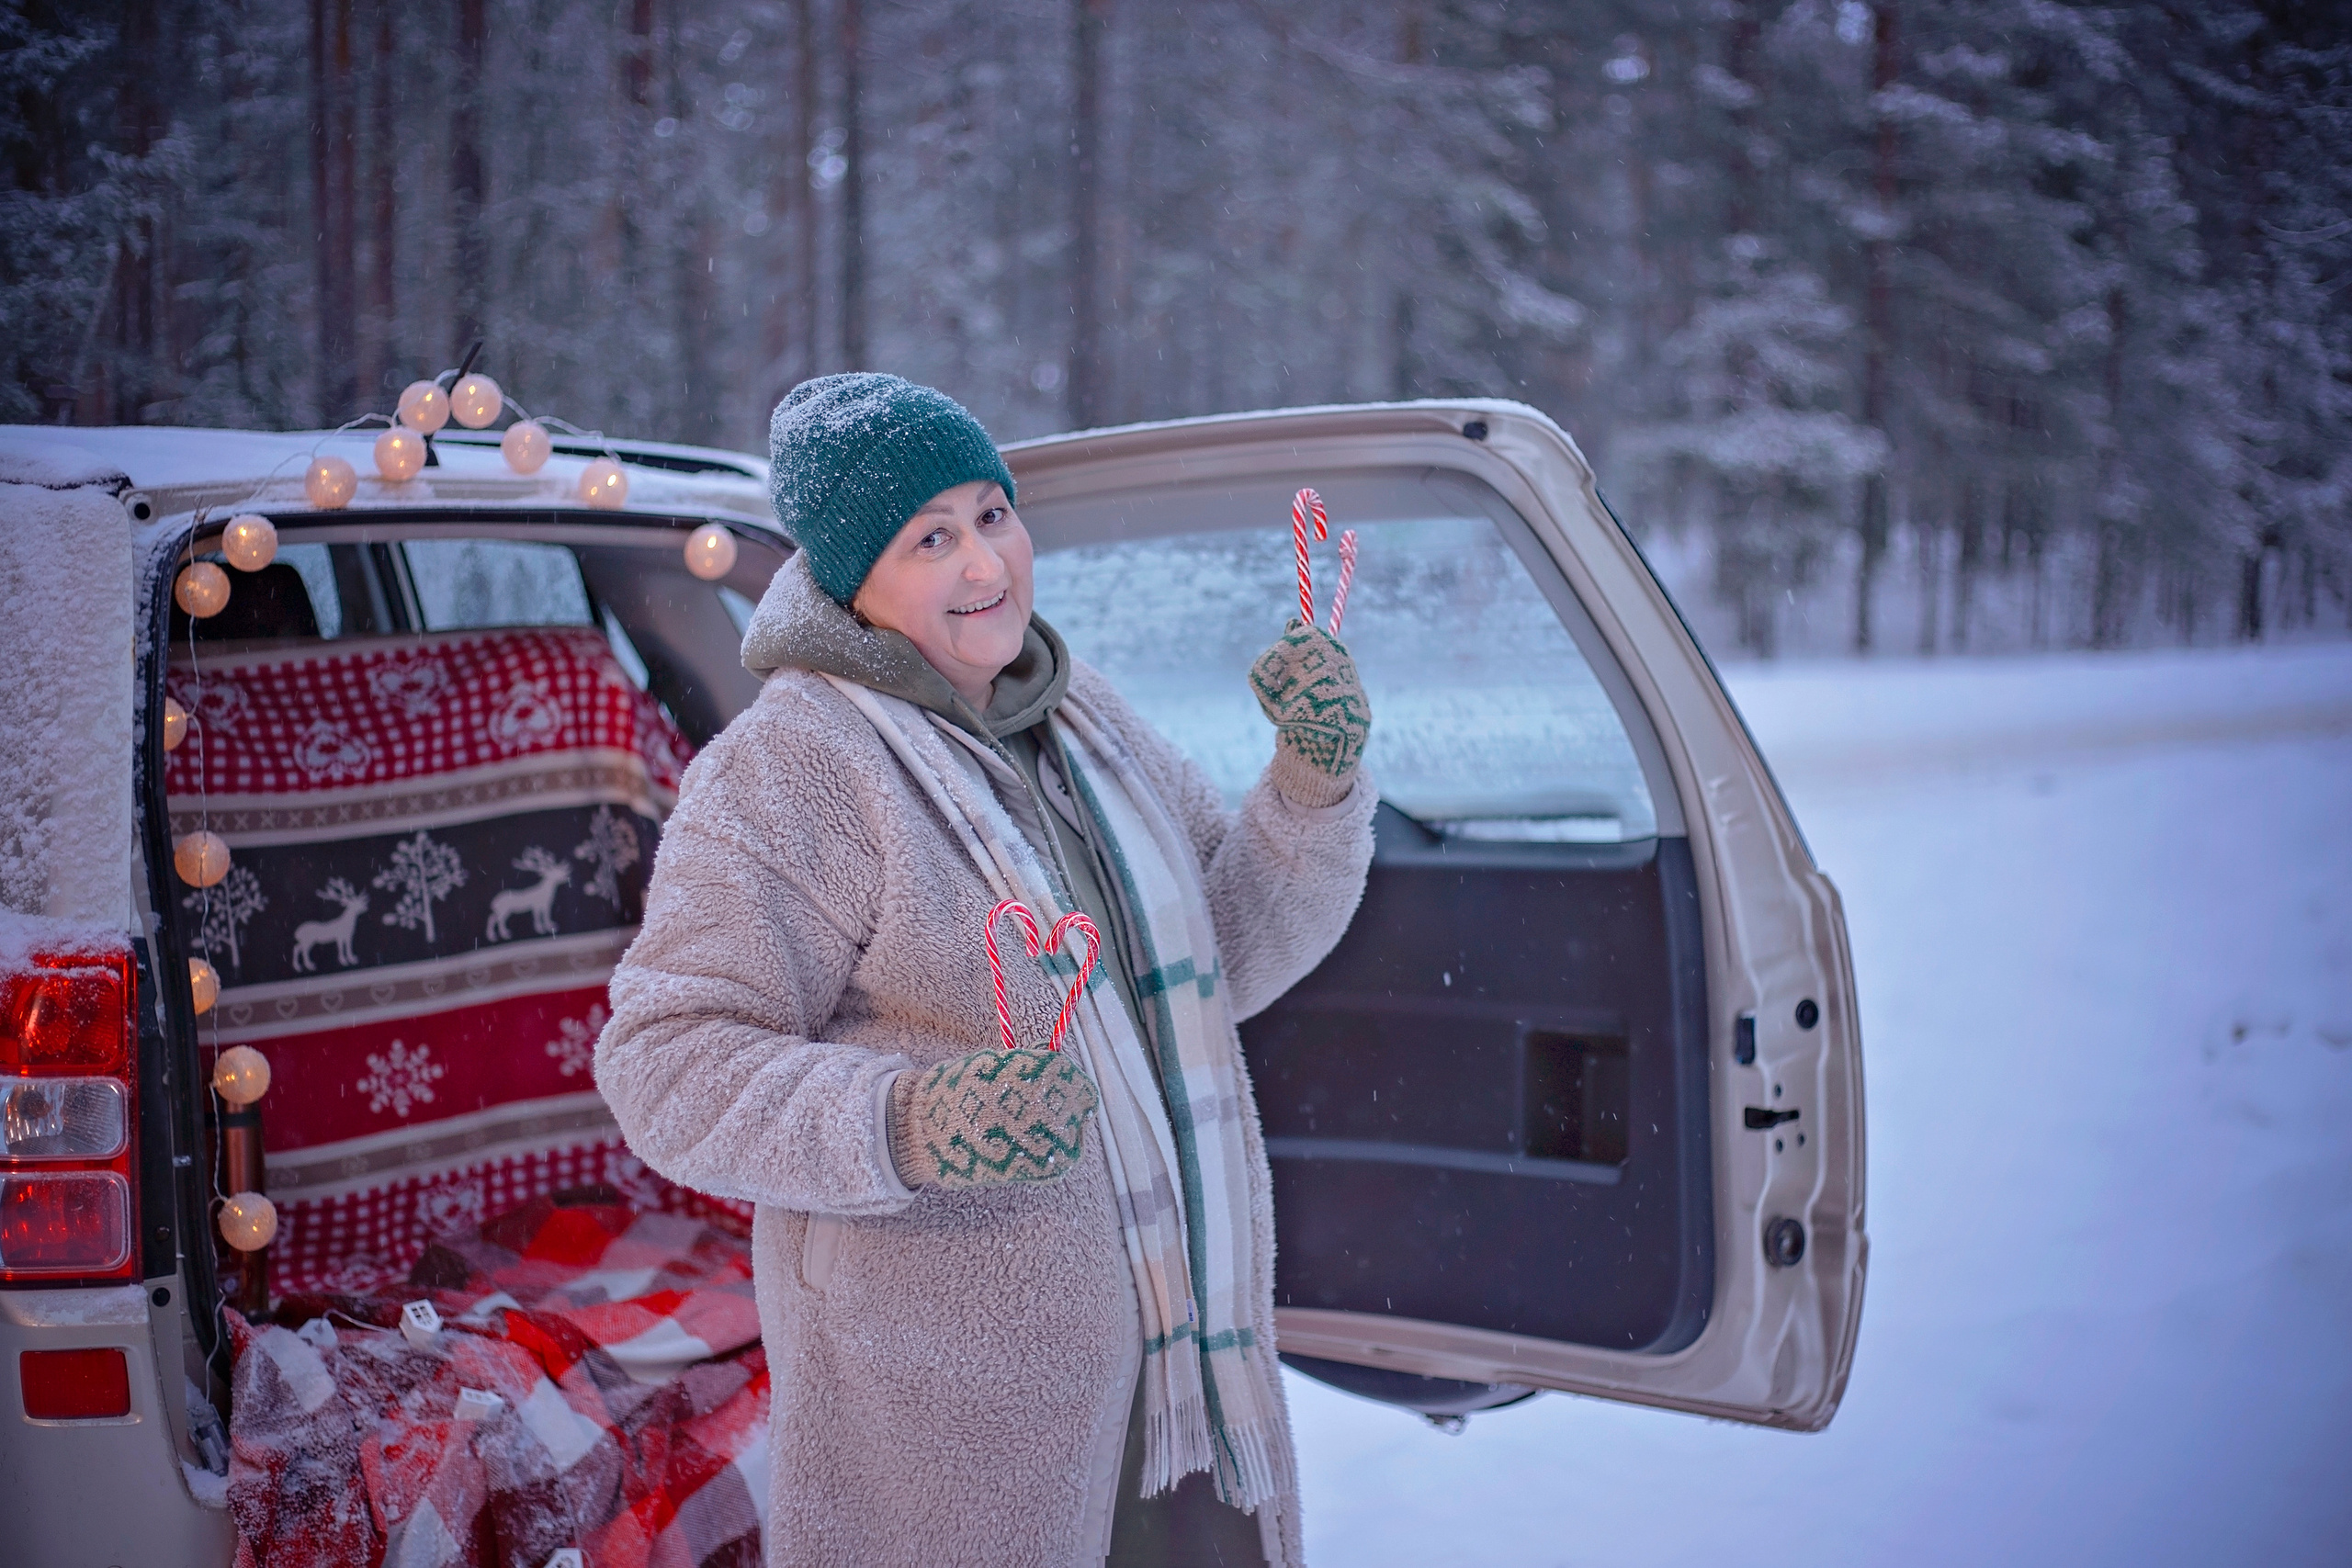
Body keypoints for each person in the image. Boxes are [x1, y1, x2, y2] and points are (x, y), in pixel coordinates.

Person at [596, 373, 1375, 1568]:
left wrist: (1311, 787)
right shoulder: (795, 769)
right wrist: (903, 1122)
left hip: (1179, 1376)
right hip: (954, 1420)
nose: (985, 567)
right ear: (856, 583)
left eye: (993, 515)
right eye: (931, 538)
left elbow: (1227, 956)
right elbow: (665, 1060)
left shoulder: (1079, 719)